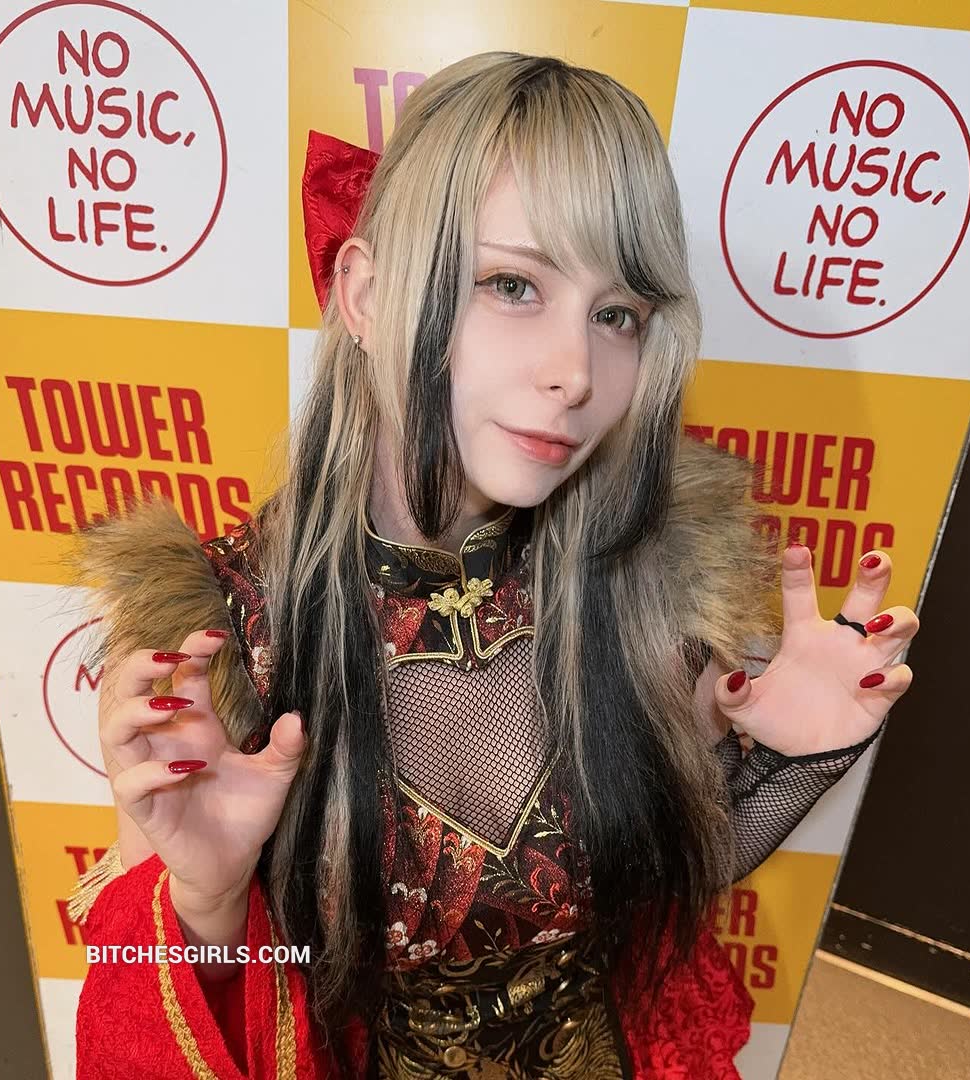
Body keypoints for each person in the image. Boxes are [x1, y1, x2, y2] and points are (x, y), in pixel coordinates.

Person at [66, 51, 915, 1080]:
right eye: (512, 285)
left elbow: (647, 906)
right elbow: (150, 1024)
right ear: (368, 294)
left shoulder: (651, 581)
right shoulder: (215, 638)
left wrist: (802, 762)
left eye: (617, 315)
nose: (576, 373)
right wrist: (205, 907)